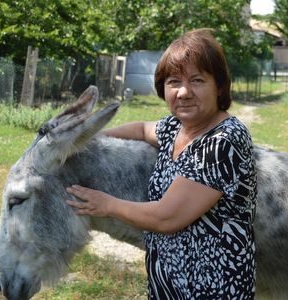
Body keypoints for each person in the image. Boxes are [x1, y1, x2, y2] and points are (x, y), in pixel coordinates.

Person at [67, 28, 257, 299]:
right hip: (168, 284)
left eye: (197, 80)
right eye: (173, 81)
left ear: (219, 86)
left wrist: (106, 204)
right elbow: (142, 128)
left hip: (213, 288)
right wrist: (87, 138)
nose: (183, 92)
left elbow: (166, 217)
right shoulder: (177, 126)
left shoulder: (224, 140)